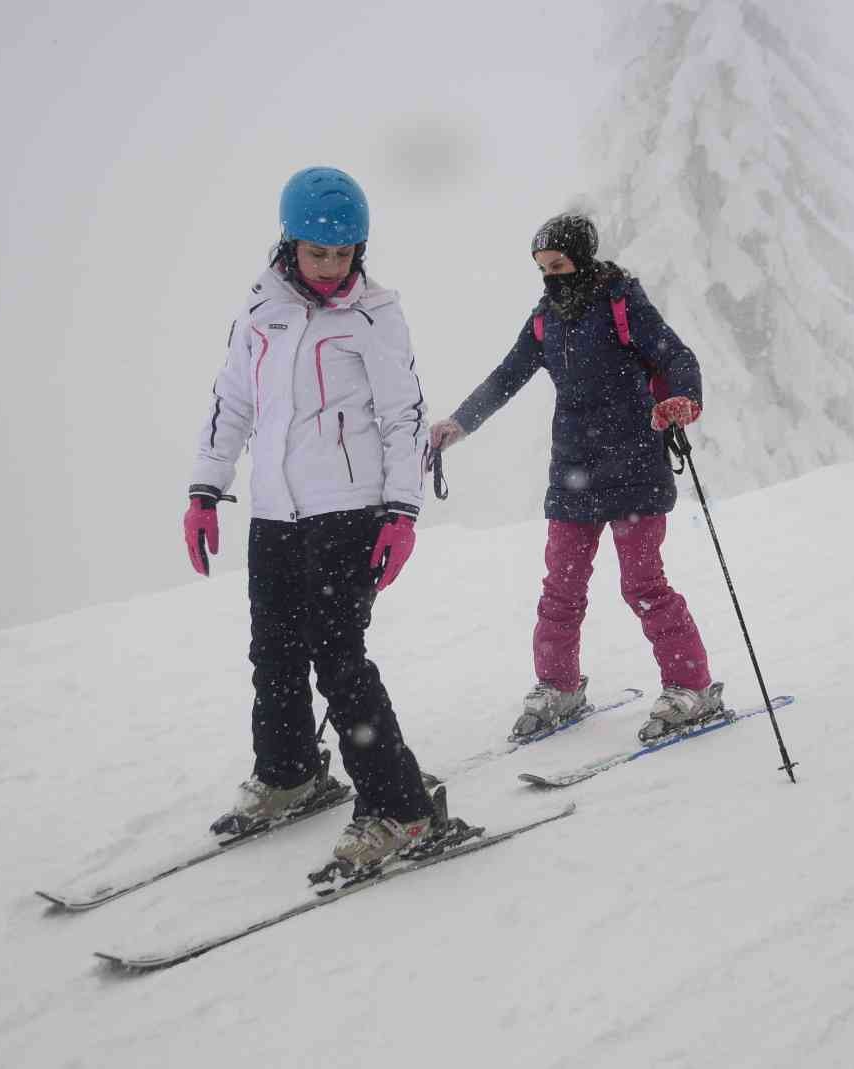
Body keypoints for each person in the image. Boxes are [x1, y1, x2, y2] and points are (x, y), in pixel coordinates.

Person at [184, 166, 437, 868]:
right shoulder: (261, 308)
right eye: (318, 252)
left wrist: (402, 511)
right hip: (274, 513)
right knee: (274, 653)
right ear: (290, 243)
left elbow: (403, 416)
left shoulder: (375, 314)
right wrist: (206, 487)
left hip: (347, 512)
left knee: (340, 660)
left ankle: (399, 807)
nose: (331, 267)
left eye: (344, 253)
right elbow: (233, 400)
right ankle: (290, 770)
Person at [428, 213, 720, 745]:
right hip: (573, 474)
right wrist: (461, 421)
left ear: (581, 260)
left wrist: (682, 397)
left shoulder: (622, 301)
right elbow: (507, 374)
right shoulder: (546, 319)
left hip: (634, 467)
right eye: (541, 269)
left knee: (643, 586)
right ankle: (558, 686)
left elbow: (676, 354)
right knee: (560, 589)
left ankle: (690, 686)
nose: (550, 277)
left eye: (558, 266)